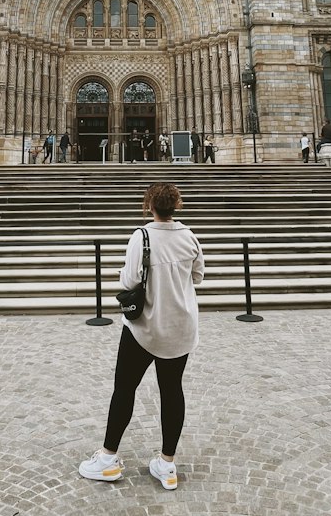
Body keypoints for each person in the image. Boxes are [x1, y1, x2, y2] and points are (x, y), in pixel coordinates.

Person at [79, 182, 204, 491]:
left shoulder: (142, 237)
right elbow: (198, 275)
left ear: (150, 206)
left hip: (144, 328)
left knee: (124, 389)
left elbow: (129, 279)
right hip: (180, 328)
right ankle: (167, 464)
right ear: (177, 205)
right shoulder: (190, 237)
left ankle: (108, 460)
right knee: (172, 391)